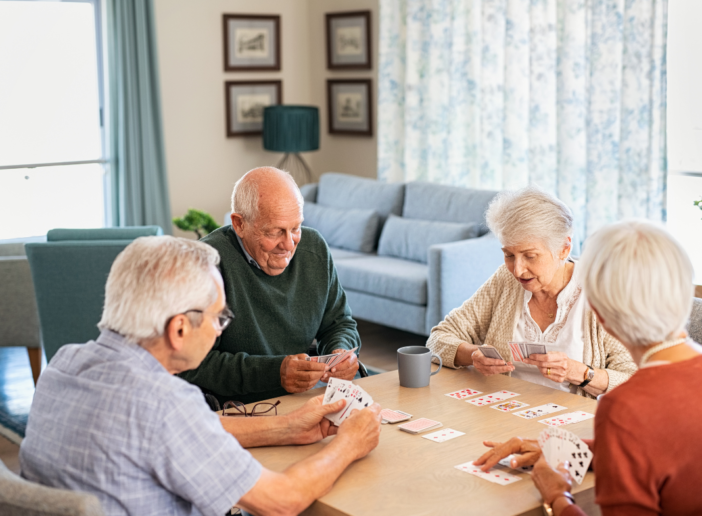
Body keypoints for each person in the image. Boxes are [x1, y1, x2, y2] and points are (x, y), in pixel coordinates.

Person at [20, 236, 382, 516]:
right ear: (179, 329)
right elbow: (280, 501)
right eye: (218, 318)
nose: (218, 329)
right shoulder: (165, 403)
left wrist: (286, 426)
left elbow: (177, 434)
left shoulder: (63, 364)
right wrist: (348, 444)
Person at [474, 220, 702, 515]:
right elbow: (665, 448)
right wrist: (565, 447)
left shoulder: (627, 408)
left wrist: (557, 498)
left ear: (600, 315)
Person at [426, 186, 636, 398]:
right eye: (508, 255)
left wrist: (581, 373)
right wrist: (472, 355)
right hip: (504, 412)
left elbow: (634, 380)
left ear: (564, 248)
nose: (517, 270)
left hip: (572, 422)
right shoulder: (507, 280)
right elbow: (437, 339)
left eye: (530, 256)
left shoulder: (601, 290)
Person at [179, 167, 360, 406]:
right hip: (232, 410)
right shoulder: (205, 264)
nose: (288, 244)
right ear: (239, 224)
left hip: (301, 399)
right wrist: (274, 373)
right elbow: (191, 363)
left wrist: (341, 352)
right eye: (274, 232)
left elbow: (340, 323)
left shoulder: (314, 248)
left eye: (295, 228)